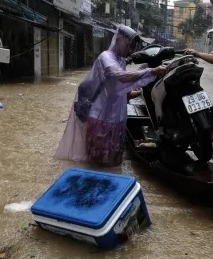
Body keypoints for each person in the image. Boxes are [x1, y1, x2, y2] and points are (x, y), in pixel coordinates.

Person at [56, 25, 167, 166]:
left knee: (114, 162)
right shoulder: (105, 57)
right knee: (96, 161)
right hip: (100, 119)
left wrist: (142, 89)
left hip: (117, 120)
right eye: (129, 45)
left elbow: (119, 91)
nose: (131, 50)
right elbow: (119, 76)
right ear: (119, 40)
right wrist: (152, 72)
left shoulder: (121, 60)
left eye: (133, 47)